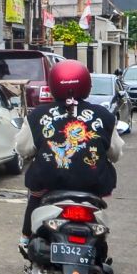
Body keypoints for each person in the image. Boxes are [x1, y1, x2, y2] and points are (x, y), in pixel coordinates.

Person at [14, 60, 123, 250]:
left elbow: (22, 149)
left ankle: (25, 236)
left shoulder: (37, 115)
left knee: (34, 196)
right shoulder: (104, 116)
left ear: (53, 85)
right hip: (92, 185)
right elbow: (115, 153)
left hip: (48, 183)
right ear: (86, 85)